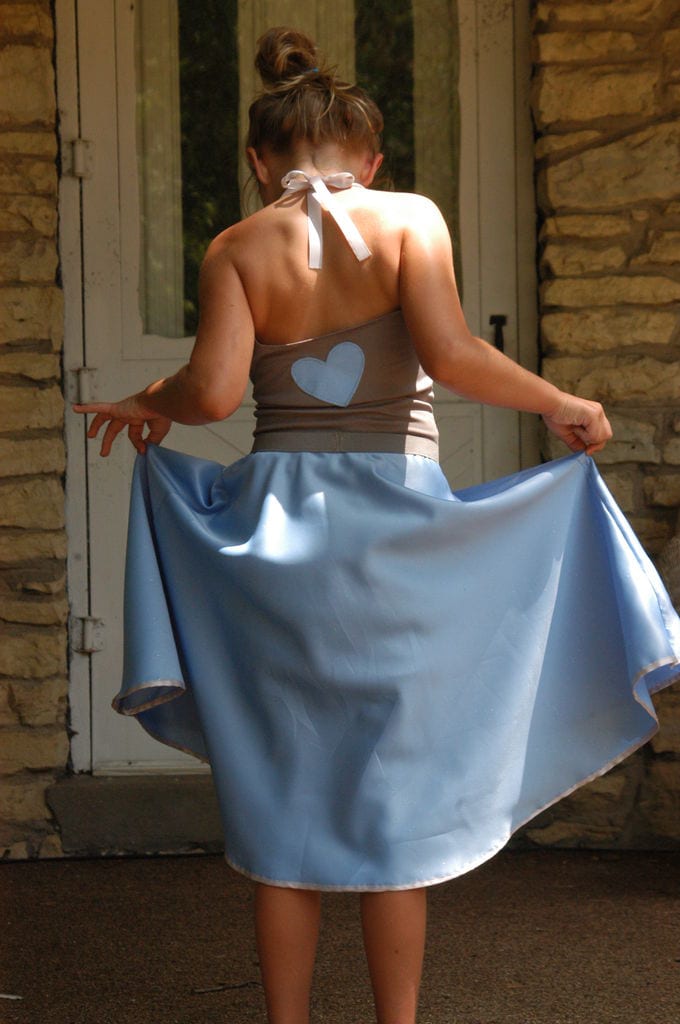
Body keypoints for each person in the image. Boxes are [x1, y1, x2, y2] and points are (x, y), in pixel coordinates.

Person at [73, 27, 680, 1024]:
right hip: (395, 542)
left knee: (282, 807)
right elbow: (449, 354)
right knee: (392, 813)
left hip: (276, 553)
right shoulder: (410, 219)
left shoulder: (236, 245)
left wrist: (149, 394)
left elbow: (216, 393)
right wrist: (553, 399)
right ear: (370, 158)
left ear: (258, 161)